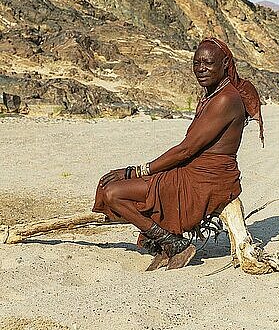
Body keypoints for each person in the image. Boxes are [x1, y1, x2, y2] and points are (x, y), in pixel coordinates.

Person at [93, 37, 263, 271]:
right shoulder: (213, 95)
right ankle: (168, 240)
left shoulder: (225, 99)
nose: (201, 69)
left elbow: (186, 148)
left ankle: (172, 243)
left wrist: (134, 171)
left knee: (113, 193)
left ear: (225, 64)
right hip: (193, 170)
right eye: (196, 63)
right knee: (110, 189)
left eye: (208, 63)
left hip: (206, 180)